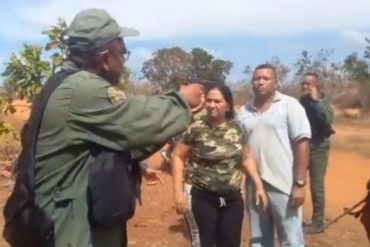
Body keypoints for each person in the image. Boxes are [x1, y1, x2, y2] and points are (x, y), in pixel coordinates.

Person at [26, 8, 203, 247]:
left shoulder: (65, 82)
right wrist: (181, 100)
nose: (123, 59)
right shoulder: (83, 89)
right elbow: (138, 117)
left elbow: (124, 141)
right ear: (104, 58)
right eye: (122, 53)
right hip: (71, 230)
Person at [171, 83, 267, 247]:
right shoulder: (196, 128)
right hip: (202, 196)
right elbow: (177, 156)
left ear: (228, 105)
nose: (211, 105)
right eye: (208, 101)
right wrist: (177, 192)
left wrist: (258, 185)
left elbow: (246, 158)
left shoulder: (237, 129)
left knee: (230, 242)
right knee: (204, 242)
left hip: (232, 198)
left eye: (217, 101)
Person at [238, 64, 311, 247]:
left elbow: (302, 143)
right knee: (259, 239)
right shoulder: (244, 112)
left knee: (291, 239)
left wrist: (299, 183)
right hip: (254, 185)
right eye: (256, 78)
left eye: (266, 78)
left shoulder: (289, 105)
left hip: (284, 184)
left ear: (276, 82)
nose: (260, 82)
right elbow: (240, 148)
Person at [300, 72, 335, 234]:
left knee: (317, 186)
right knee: (297, 181)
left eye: (309, 84)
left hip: (319, 147)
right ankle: (295, 218)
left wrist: (316, 101)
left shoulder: (324, 101)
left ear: (316, 86)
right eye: (304, 84)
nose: (306, 87)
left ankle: (318, 222)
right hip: (302, 146)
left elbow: (327, 120)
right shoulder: (301, 102)